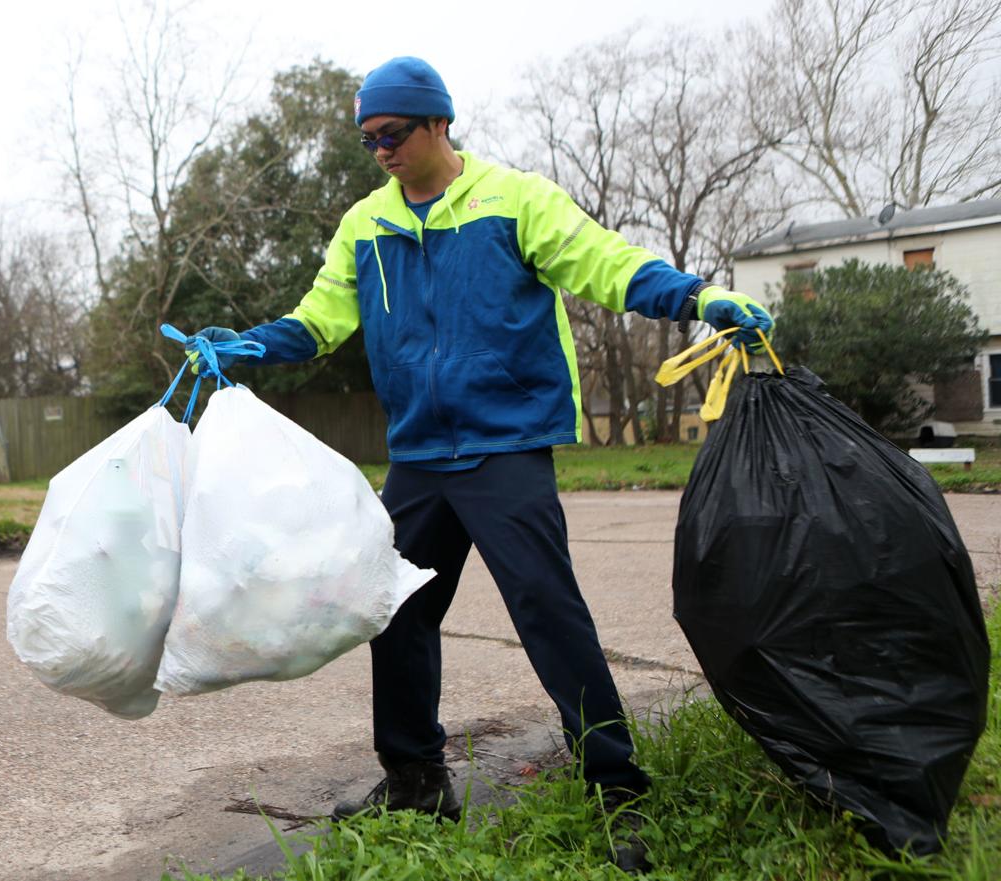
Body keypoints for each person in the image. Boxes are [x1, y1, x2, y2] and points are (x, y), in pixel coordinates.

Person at [194, 55, 773, 865]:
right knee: (393, 608)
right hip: (421, 455)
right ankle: (416, 779)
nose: (381, 152)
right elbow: (320, 319)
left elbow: (604, 261)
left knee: (546, 607)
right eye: (368, 141)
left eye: (392, 134)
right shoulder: (367, 224)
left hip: (506, 444)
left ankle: (617, 787)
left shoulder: (515, 200)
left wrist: (697, 298)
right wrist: (248, 345)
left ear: (439, 122)